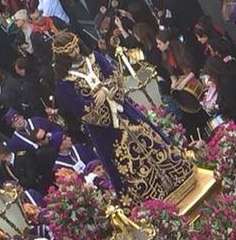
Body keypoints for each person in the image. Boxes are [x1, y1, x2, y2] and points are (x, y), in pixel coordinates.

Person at [52, 31, 193, 204]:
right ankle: (147, 198)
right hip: (104, 129)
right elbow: (81, 110)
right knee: (122, 161)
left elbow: (115, 75)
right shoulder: (65, 82)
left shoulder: (94, 58)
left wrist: (106, 90)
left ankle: (176, 173)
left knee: (149, 139)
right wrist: (103, 106)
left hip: (123, 110)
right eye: (70, 52)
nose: (75, 53)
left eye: (75, 48)